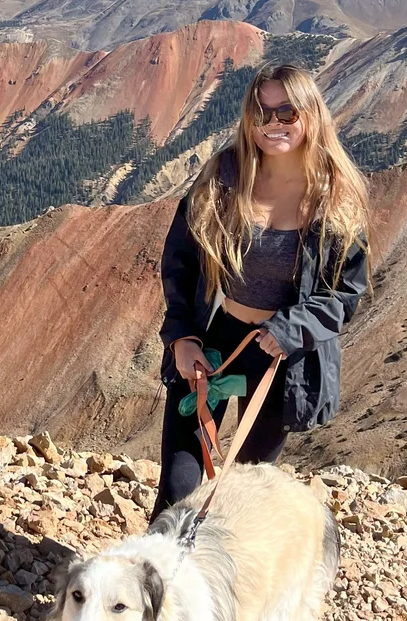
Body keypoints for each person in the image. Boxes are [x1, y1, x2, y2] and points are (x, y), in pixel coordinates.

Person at [152, 61, 370, 517]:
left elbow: (346, 292)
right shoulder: (223, 177)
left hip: (281, 359)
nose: (273, 124)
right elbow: (180, 264)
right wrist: (182, 336)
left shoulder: (335, 195)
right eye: (261, 112)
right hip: (213, 342)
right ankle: (153, 586)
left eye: (286, 112)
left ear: (310, 115)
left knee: (241, 500)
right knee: (177, 490)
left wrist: (290, 329)